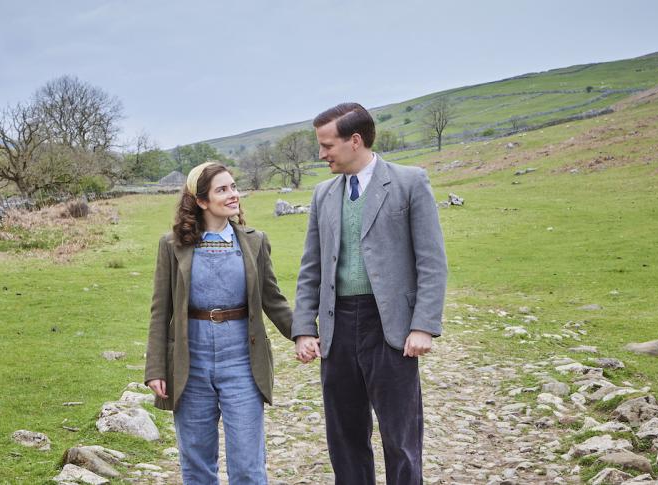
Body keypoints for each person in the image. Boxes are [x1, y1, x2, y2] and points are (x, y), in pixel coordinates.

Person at [292, 102, 448, 485]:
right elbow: (311, 267)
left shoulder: (410, 182)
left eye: (327, 145)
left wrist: (423, 325)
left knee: (401, 438)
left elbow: (432, 260)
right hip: (337, 327)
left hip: (389, 327)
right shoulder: (323, 194)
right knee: (344, 437)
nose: (321, 153)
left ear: (355, 141)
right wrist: (304, 329)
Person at [145, 161, 294, 484]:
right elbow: (161, 310)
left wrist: (306, 334)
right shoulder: (172, 245)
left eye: (234, 187)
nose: (233, 195)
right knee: (196, 464)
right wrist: (156, 368)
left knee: (248, 467)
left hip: (242, 362)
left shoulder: (255, 242)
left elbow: (273, 300)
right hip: (191, 363)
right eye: (222, 190)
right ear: (201, 201)